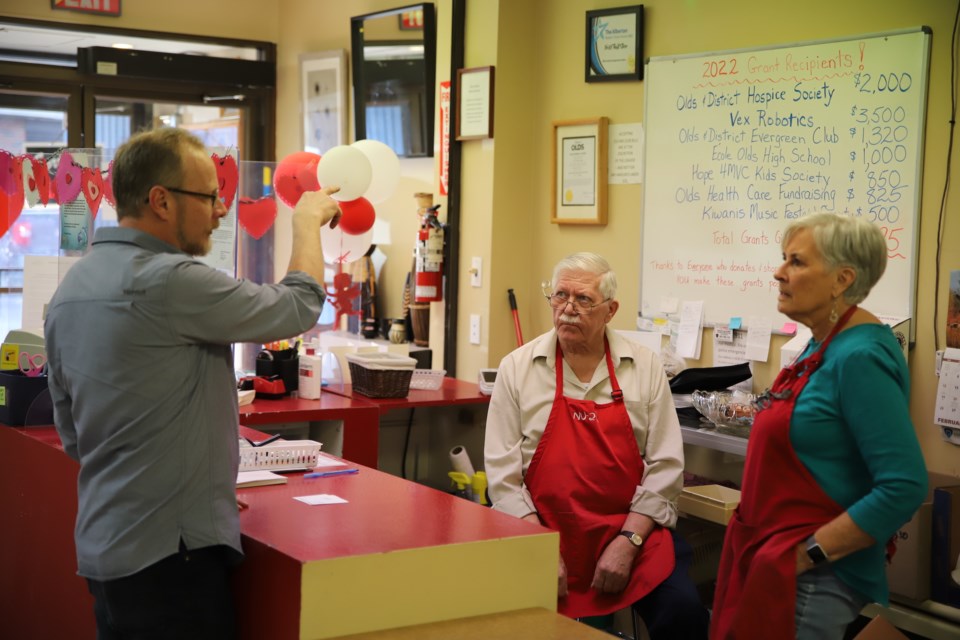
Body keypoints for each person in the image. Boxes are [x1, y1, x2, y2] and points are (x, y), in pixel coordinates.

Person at [45, 127, 341, 640]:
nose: (220, 211)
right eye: (208, 197)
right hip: (171, 562)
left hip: (107, 551)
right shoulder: (169, 279)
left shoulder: (73, 287)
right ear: (160, 200)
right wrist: (308, 223)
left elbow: (74, 436)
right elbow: (297, 305)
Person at [711, 213, 928, 640]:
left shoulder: (860, 356)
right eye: (783, 259)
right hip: (771, 554)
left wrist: (807, 554)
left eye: (796, 262)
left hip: (810, 579)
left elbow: (904, 484)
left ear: (841, 279)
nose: (778, 272)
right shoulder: (823, 342)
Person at [484, 252, 709, 639]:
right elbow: (502, 477)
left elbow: (666, 466)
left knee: (684, 611)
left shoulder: (644, 366)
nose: (568, 309)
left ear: (610, 310)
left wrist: (629, 541)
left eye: (583, 299)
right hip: (537, 531)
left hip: (628, 532)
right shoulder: (517, 367)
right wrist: (539, 547)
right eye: (560, 296)